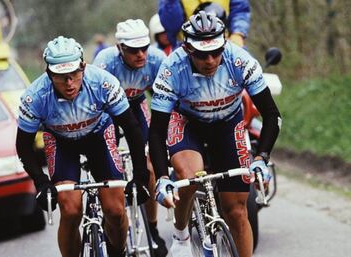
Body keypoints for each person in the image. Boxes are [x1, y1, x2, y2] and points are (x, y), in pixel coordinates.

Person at [149, 11, 281, 257]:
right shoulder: (172, 69)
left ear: (225, 44)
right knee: (190, 177)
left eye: (215, 52)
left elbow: (272, 115)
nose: (209, 60)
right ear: (188, 49)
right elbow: (156, 131)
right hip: (188, 123)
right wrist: (161, 177)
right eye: (201, 54)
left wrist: (261, 157)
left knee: (237, 211)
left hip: (227, 124)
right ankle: (181, 234)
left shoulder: (240, 61)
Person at [16, 36, 150, 257]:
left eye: (74, 75)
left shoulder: (103, 82)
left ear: (83, 67)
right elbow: (23, 146)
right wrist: (41, 183)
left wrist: (141, 176)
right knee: (70, 211)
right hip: (61, 142)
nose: (69, 83)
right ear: (49, 74)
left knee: (115, 211)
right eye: (61, 77)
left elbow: (132, 129)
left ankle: (118, 251)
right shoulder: (35, 96)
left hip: (98, 136)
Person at [93, 19, 168, 257]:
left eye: (144, 48)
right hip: (108, 113)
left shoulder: (157, 59)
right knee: (109, 165)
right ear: (120, 48)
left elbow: (165, 99)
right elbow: (95, 107)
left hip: (136, 105)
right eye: (133, 50)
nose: (141, 55)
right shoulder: (104, 63)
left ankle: (153, 230)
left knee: (150, 165)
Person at [158, 0, 250, 48]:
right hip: (188, 47)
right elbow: (171, 25)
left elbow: (240, 10)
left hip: (225, 41)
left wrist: (238, 34)